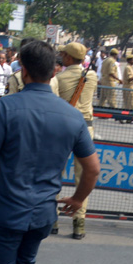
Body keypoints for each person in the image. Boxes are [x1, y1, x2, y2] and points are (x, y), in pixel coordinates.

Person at [0, 39, 98, 264]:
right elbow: (92, 168)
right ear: (54, 71)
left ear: (22, 68)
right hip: (44, 211)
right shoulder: (72, 116)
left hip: (6, 208)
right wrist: (78, 199)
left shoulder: (6, 107)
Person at [54, 42, 97, 238]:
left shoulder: (58, 79)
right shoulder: (92, 76)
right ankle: (79, 223)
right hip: (86, 127)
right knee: (84, 177)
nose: (61, 56)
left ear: (69, 58)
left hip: (62, 127)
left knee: (55, 175)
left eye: (63, 54)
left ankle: (52, 219)